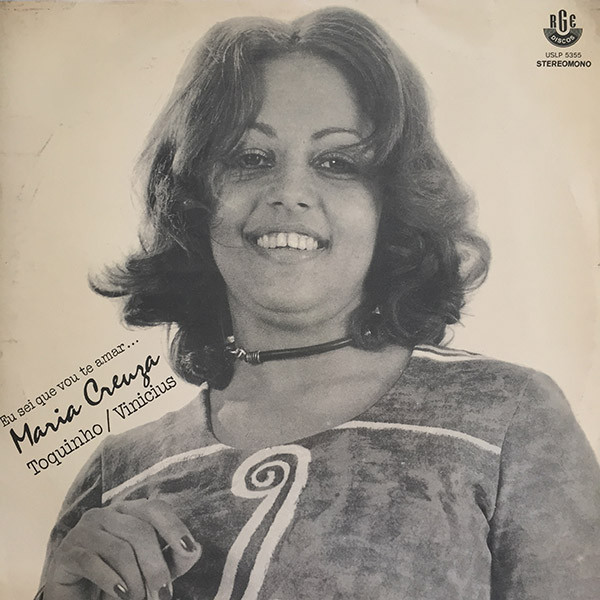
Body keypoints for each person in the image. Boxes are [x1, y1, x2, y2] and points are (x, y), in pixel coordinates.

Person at [36, 7, 599, 600]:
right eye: (250, 158)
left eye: (337, 163)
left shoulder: (506, 419)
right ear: (195, 202)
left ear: (391, 206)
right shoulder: (118, 474)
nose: (289, 193)